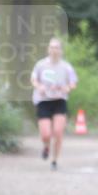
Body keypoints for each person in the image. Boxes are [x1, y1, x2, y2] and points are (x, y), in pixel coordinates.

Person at [30, 37, 78, 170]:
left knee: (58, 131)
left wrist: (67, 88)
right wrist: (39, 86)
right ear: (48, 49)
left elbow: (73, 82)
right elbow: (33, 79)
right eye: (52, 47)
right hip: (43, 100)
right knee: (46, 134)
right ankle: (46, 146)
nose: (54, 50)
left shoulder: (66, 67)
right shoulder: (41, 65)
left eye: (56, 47)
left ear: (61, 50)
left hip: (59, 100)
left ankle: (54, 160)